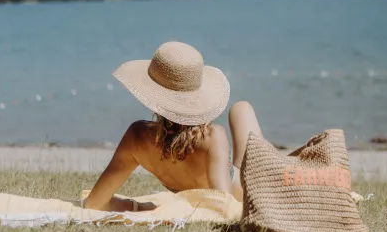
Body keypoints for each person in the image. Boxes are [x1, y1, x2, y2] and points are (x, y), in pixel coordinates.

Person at [82, 41, 263, 211]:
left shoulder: (136, 136)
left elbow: (94, 203)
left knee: (241, 110)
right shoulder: (212, 137)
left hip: (250, 185)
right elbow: (225, 206)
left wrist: (141, 207)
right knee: (241, 109)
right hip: (252, 189)